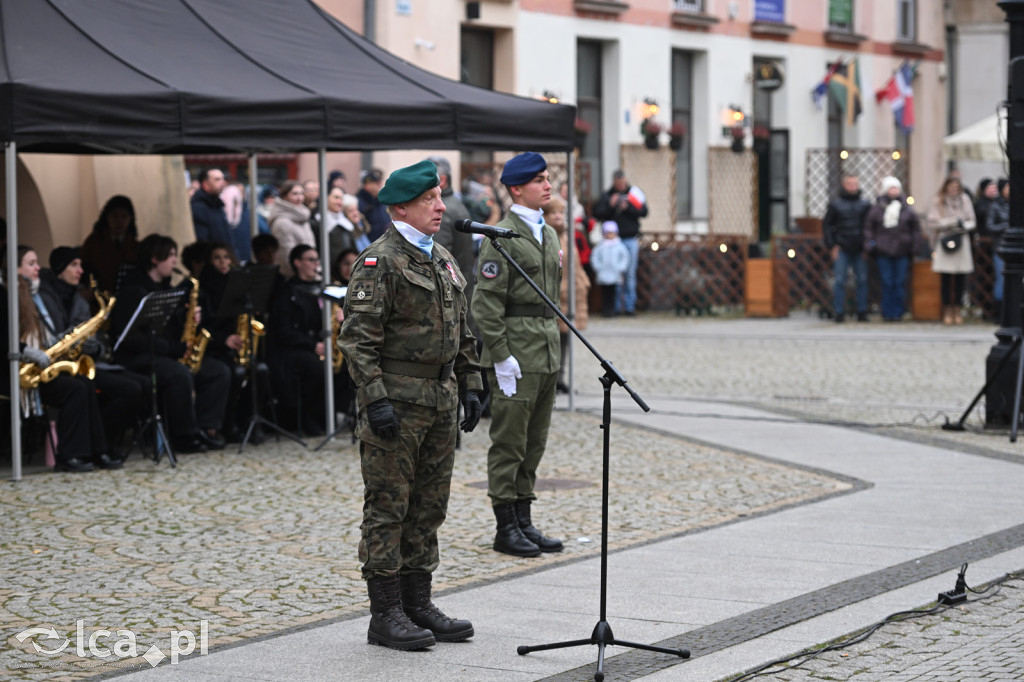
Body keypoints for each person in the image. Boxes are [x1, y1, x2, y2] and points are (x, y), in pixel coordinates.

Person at [339, 159, 482, 650]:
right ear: (401, 206)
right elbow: (357, 342)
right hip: (397, 405)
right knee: (388, 507)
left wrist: (472, 382)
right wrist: (374, 402)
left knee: (428, 507)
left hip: (439, 402)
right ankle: (385, 614)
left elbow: (461, 327)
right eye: (429, 199)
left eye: (440, 197)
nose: (441, 206)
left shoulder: (441, 258)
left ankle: (417, 603)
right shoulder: (380, 262)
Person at [471, 152, 563, 558]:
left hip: (545, 349)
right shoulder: (500, 236)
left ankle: (524, 519)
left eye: (547, 178)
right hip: (516, 351)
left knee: (534, 440)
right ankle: (505, 526)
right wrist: (501, 355)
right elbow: (485, 304)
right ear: (516, 189)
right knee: (509, 441)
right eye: (538, 180)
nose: (547, 185)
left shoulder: (551, 233)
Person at [108, 234, 230, 452]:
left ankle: (205, 427)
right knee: (178, 374)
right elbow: (131, 338)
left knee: (218, 371)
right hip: (138, 357)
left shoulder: (167, 288)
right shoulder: (134, 291)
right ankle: (183, 436)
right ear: (155, 258)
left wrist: (189, 319)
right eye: (171, 255)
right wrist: (174, 349)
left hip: (165, 352)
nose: (175, 261)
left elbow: (170, 330)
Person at [3, 245, 119, 472]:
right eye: (31, 263)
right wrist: (27, 350)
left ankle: (96, 450)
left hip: (40, 363)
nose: (38, 267)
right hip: (20, 371)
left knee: (84, 383)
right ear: (14, 268)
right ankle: (69, 455)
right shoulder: (8, 295)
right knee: (74, 390)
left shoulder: (33, 293)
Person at [39, 246, 147, 449]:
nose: (80, 270)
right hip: (56, 366)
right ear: (60, 268)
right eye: (74, 265)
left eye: (80, 265)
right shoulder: (44, 298)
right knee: (98, 388)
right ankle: (98, 443)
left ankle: (102, 438)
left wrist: (94, 348)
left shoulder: (78, 299)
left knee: (137, 386)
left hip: (82, 362)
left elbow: (93, 339)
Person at [267, 244, 344, 437]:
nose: (316, 264)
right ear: (297, 263)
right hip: (292, 350)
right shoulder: (286, 292)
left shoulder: (322, 288)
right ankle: (309, 417)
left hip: (318, 345)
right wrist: (313, 345)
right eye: (311, 260)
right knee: (315, 368)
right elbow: (283, 331)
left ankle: (333, 413)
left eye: (317, 260)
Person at [545, 195, 590, 394]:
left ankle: (560, 377)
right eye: (553, 213)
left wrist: (582, 284)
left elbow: (576, 265)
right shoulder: (546, 237)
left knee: (565, 340)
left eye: (561, 213)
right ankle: (550, 378)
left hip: (570, 294)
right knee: (552, 341)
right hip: (556, 295)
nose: (558, 217)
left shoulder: (566, 236)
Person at [863, 176, 920, 322]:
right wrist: (871, 244)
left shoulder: (907, 208)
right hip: (883, 250)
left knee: (899, 282)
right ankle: (887, 312)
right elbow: (869, 228)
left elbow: (915, 229)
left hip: (902, 250)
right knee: (887, 282)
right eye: (890, 188)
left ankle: (899, 312)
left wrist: (914, 247)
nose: (893, 191)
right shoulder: (877, 209)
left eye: (896, 188)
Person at [592, 169, 648, 316]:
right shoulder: (608, 195)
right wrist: (611, 205)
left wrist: (628, 207)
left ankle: (629, 307)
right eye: (619, 183)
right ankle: (615, 307)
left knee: (629, 274)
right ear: (614, 182)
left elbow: (644, 211)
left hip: (630, 238)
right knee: (614, 272)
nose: (622, 186)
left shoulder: (633, 194)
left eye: (623, 183)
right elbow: (597, 213)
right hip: (612, 241)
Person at [428, 155, 476, 319]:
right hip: (459, 289)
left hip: (449, 297)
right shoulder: (454, 203)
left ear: (442, 180)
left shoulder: (442, 209)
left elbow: (437, 259)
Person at [927, 175, 976, 325]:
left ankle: (957, 309)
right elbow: (932, 222)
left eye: (956, 187)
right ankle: (947, 310)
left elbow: (972, 221)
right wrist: (949, 222)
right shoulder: (939, 200)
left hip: (961, 240)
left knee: (961, 279)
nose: (954, 190)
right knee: (946, 279)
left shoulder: (965, 199)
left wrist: (962, 225)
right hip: (945, 240)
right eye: (951, 187)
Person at [823, 173, 872, 322]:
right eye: (850, 183)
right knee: (839, 281)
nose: (852, 186)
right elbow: (827, 225)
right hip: (842, 247)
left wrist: (866, 247)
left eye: (855, 183)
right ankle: (839, 312)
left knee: (862, 280)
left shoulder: (865, 204)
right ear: (844, 185)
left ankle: (861, 311)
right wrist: (832, 245)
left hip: (859, 248)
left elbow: (869, 227)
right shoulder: (836, 204)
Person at [81, 195, 140, 294]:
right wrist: (93, 288)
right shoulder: (93, 242)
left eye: (124, 216)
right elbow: (85, 271)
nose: (119, 221)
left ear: (130, 219)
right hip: (98, 299)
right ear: (106, 217)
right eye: (114, 216)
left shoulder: (135, 246)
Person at [269, 180, 315, 277]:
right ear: (284, 196)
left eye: (301, 193)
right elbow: (286, 255)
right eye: (295, 194)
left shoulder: (302, 216)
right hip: (295, 277)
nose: (299, 198)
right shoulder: (281, 222)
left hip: (307, 273)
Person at [591, 221, 630, 318]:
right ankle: (605, 310)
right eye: (608, 233)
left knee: (613, 293)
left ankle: (613, 310)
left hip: (615, 274)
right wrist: (598, 267)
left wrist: (621, 267)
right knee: (605, 293)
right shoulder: (601, 246)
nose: (610, 235)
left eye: (612, 233)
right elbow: (595, 257)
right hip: (603, 273)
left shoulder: (620, 246)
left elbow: (625, 257)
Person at [190, 168, 232, 246]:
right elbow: (202, 239)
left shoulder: (218, 205)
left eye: (223, 179)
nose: (222, 182)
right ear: (206, 184)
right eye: (217, 179)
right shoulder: (198, 207)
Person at [987, 178, 1010, 315]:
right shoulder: (996, 205)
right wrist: (1006, 227)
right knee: (1001, 279)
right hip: (1001, 247)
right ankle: (1000, 313)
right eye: (1007, 187)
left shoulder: (1018, 204)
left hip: (1018, 248)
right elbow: (990, 226)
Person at [357, 168, 390, 242]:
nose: (380, 185)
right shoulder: (360, 203)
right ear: (367, 185)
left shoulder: (382, 201)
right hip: (369, 244)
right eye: (377, 183)